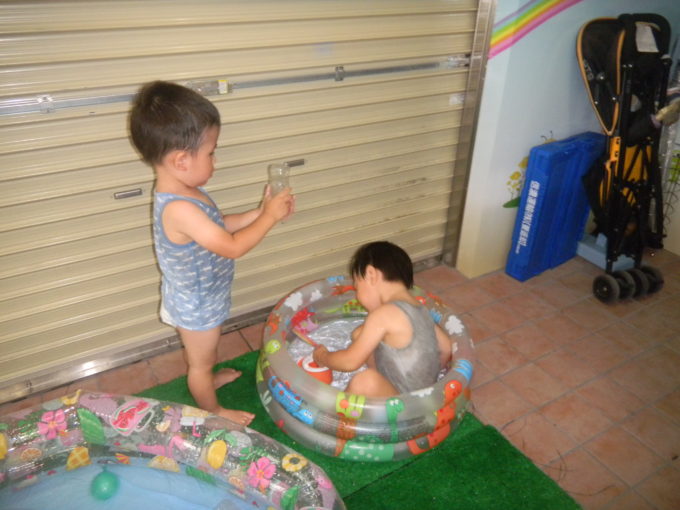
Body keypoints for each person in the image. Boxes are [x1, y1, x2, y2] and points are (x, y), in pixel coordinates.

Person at [129, 81, 294, 425]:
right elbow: (231, 246)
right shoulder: (179, 208)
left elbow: (220, 225)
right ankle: (213, 409)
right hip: (196, 306)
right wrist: (268, 218)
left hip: (205, 295)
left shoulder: (188, 191)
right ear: (181, 160)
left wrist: (260, 213)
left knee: (207, 352)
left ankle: (208, 377)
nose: (215, 161)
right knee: (199, 363)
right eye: (211, 153)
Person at [312, 241, 452, 397]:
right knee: (359, 334)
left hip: (401, 405)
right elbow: (446, 348)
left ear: (371, 275)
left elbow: (350, 361)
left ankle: (334, 412)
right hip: (424, 399)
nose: (357, 297)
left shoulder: (383, 314)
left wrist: (323, 357)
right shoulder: (421, 310)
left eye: (357, 287)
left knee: (365, 381)